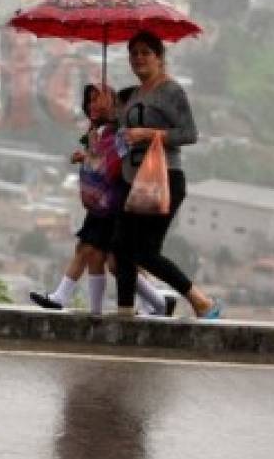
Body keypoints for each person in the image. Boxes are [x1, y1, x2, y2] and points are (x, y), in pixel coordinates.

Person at [30, 84, 175, 316]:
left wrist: (90, 158)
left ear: (112, 101)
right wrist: (88, 155)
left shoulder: (120, 130)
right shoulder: (101, 131)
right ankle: (146, 302)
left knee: (103, 256)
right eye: (89, 101)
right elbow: (103, 160)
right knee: (99, 255)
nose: (92, 105)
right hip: (103, 202)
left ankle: (66, 298)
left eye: (98, 99)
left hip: (113, 203)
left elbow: (112, 164)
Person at [111, 30, 222, 319]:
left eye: (146, 52)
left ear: (160, 58)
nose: (138, 59)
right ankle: (125, 312)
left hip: (162, 180)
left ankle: (201, 301)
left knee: (145, 252)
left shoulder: (171, 91)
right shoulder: (135, 94)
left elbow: (189, 134)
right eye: (133, 54)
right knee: (122, 249)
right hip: (132, 180)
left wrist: (149, 134)